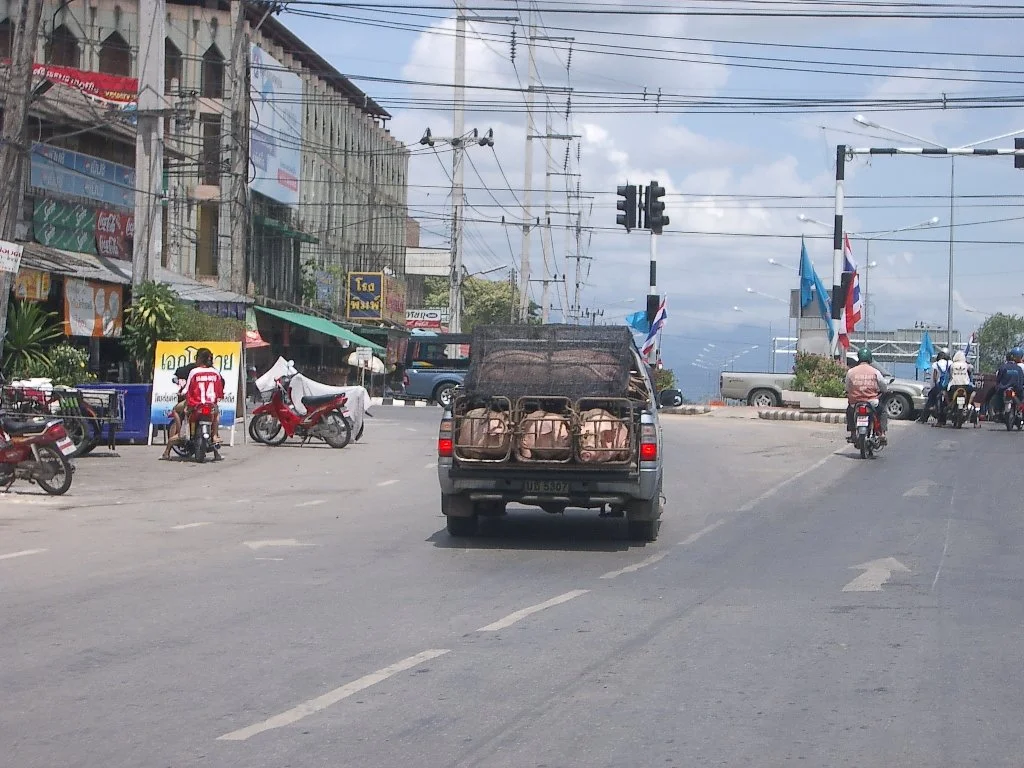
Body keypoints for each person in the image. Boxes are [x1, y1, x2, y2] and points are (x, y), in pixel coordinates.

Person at [161, 348, 225, 459]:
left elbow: (186, 389)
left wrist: (182, 392)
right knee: (216, 414)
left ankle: (179, 434)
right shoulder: (215, 372)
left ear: (199, 359)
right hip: (210, 405)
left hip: (195, 404)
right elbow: (220, 390)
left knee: (175, 410)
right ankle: (214, 436)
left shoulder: (194, 371)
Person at [845, 347, 888, 443]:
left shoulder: (851, 372)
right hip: (871, 402)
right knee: (883, 411)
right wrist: (884, 391)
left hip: (855, 403)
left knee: (849, 412)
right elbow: (883, 385)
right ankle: (882, 433)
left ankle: (852, 433)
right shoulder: (875, 371)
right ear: (870, 358)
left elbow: (847, 388)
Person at [918, 348, 951, 424]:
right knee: (946, 401)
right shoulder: (950, 363)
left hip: (939, 387)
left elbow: (934, 378)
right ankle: (944, 419)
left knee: (930, 399)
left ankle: (924, 418)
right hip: (948, 387)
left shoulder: (935, 364)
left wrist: (933, 387)